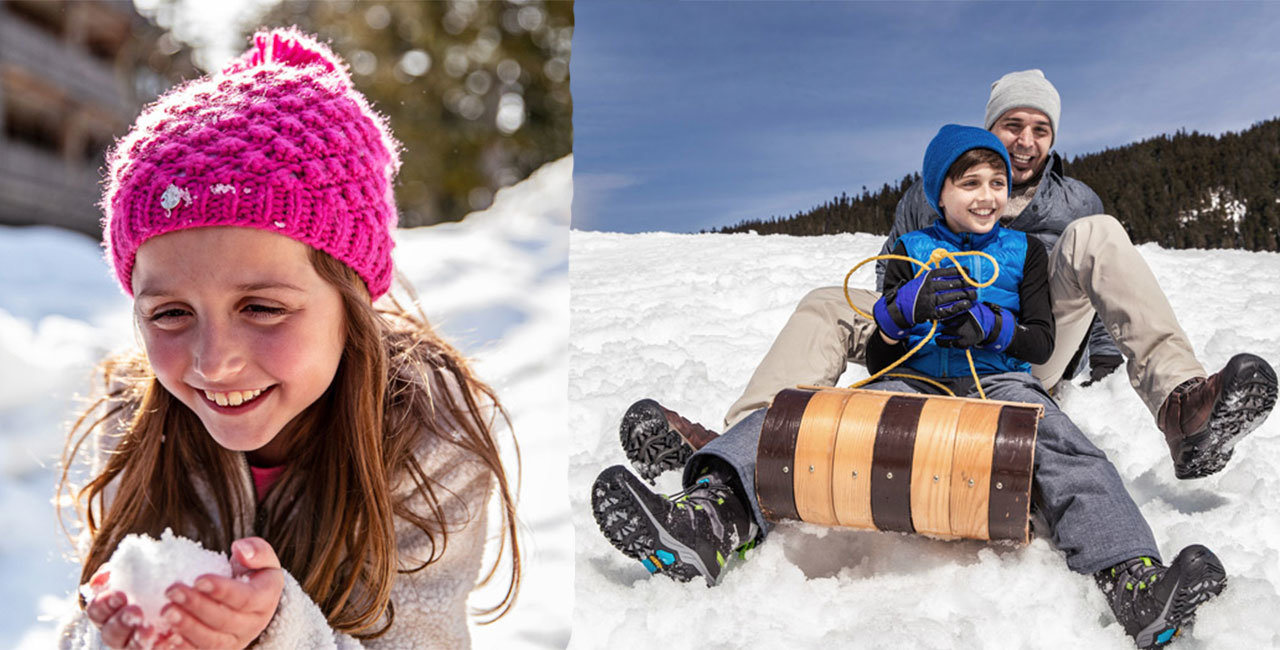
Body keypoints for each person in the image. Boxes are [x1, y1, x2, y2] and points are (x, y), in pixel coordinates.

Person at [592, 126, 1226, 649]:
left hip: (1000, 384)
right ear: (939, 192)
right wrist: (908, 307)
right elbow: (879, 349)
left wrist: (989, 322)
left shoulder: (1026, 253)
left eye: (997, 184)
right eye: (970, 183)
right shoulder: (909, 249)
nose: (987, 196)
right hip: (910, 380)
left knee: (1067, 453)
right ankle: (710, 523)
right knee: (800, 419)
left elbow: (1038, 341)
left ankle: (1133, 582)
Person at [56, 29, 519, 649]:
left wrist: (273, 635)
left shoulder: (431, 438)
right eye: (170, 314)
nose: (214, 363)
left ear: (351, 301)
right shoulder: (135, 423)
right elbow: (79, 623)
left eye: (263, 308)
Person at [621, 69, 1275, 483]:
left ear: (1051, 139)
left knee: (1098, 236)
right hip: (929, 346)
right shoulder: (926, 197)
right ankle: (748, 444)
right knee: (828, 300)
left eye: (1040, 129)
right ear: (987, 131)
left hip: (1024, 352)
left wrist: (1092, 362)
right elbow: (886, 288)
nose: (1025, 139)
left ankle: (1182, 409)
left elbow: (1102, 300)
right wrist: (914, 317)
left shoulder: (1075, 203)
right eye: (1012, 125)